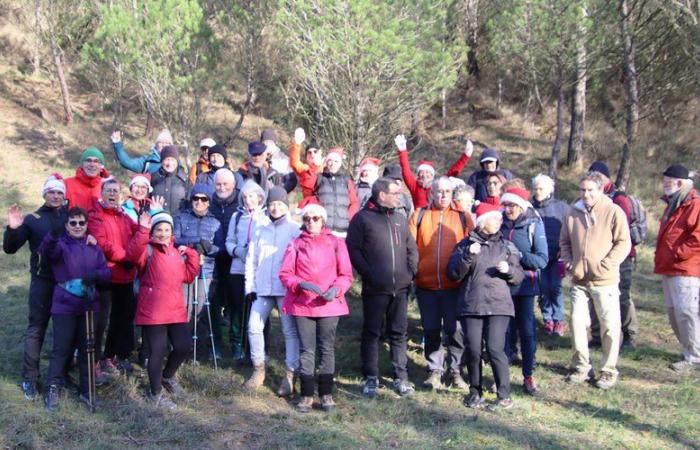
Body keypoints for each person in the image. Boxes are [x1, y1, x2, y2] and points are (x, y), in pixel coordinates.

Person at [447, 202, 525, 410]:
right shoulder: (465, 245)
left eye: (500, 219)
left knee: (494, 348)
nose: (500, 221)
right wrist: (467, 256)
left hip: (499, 306)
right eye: (495, 218)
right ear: (482, 222)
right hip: (472, 305)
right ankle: (475, 392)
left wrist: (509, 270)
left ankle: (504, 395)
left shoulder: (507, 247)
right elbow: (454, 274)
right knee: (473, 350)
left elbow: (519, 276)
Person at [346, 177, 419, 398]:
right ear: (382, 195)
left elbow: (411, 248)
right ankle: (371, 378)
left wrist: (410, 272)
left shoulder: (399, 218)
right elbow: (353, 250)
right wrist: (369, 274)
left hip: (401, 288)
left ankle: (401, 378)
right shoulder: (362, 219)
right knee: (372, 333)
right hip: (375, 288)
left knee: (398, 333)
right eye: (395, 193)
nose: (399, 196)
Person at [559, 172, 631, 390]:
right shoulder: (573, 213)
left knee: (610, 326)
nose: (586, 194)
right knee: (577, 323)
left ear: (600, 190)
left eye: (591, 190)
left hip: (605, 280)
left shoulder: (613, 211)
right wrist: (570, 262)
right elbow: (564, 242)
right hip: (580, 280)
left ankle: (608, 370)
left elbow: (623, 243)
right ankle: (581, 365)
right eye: (582, 190)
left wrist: (606, 265)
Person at [279, 203, 353, 412]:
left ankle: (326, 394)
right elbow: (285, 274)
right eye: (307, 219)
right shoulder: (295, 244)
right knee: (306, 350)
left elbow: (346, 275)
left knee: (327, 349)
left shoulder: (336, 243)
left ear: (323, 220)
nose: (311, 222)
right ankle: (306, 395)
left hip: (329, 305)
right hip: (303, 305)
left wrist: (337, 290)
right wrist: (299, 284)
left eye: (315, 218)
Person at [125, 211, 200, 410]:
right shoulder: (146, 251)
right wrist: (142, 230)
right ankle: (155, 393)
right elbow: (131, 255)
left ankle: (167, 377)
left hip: (175, 310)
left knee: (183, 346)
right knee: (157, 352)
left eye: (167, 230)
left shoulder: (176, 253)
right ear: (153, 231)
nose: (163, 233)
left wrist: (192, 254)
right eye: (159, 229)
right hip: (153, 311)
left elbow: (188, 277)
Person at [3, 174, 68, 400]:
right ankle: (29, 378)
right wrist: (12, 229)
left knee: (63, 332)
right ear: (44, 193)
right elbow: (10, 249)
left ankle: (60, 377)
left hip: (66, 284)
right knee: (36, 329)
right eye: (52, 192)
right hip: (42, 281)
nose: (56, 196)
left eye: (60, 192)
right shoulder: (33, 218)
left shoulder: (72, 217)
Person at [40, 207, 111, 411]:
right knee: (61, 348)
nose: (78, 226)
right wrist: (52, 235)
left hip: (89, 305)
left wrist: (96, 276)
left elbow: (106, 273)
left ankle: (87, 389)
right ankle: (53, 387)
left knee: (88, 349)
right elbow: (48, 253)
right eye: (73, 223)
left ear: (87, 225)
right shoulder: (61, 246)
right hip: (65, 305)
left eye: (81, 223)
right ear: (67, 226)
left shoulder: (94, 247)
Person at [409, 176, 473, 390]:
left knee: (456, 330)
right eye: (439, 191)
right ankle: (434, 371)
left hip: (455, 286)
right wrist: (413, 274)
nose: (443, 195)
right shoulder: (419, 215)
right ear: (431, 193)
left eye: (447, 191)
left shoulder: (463, 217)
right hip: (426, 286)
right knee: (431, 329)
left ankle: (456, 372)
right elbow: (410, 248)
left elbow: (473, 249)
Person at [243, 186, 301, 394]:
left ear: (286, 205)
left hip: (285, 291)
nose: (275, 208)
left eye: (279, 204)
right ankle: (258, 369)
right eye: (271, 204)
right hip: (262, 289)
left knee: (289, 331)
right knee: (253, 327)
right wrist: (250, 287)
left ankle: (290, 374)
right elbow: (251, 260)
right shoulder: (261, 229)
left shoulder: (295, 230)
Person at [88, 178, 140, 376]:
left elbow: (139, 234)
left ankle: (111, 356)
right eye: (108, 190)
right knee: (101, 321)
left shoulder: (124, 216)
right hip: (107, 275)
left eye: (115, 191)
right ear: (102, 193)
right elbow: (102, 242)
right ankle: (94, 362)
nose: (112, 194)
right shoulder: (95, 215)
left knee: (122, 318)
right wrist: (124, 256)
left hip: (126, 275)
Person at [499, 186, 548, 395]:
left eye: (512, 205)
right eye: (505, 205)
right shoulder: (498, 222)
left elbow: (542, 260)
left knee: (526, 332)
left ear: (520, 205)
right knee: (500, 333)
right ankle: (500, 377)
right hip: (501, 286)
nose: (508, 209)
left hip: (525, 287)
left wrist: (517, 256)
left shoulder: (533, 225)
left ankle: (528, 375)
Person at [587, 161, 639, 348]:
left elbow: (620, 229)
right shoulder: (590, 196)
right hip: (597, 255)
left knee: (622, 295)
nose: (594, 176)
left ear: (606, 177)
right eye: (591, 173)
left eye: (598, 174)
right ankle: (597, 335)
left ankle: (629, 335)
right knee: (594, 294)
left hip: (621, 255)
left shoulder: (619, 198)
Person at [654, 164, 700, 372]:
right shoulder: (674, 204)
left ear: (680, 183)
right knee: (674, 313)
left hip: (685, 269)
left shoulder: (694, 205)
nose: (664, 185)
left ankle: (694, 357)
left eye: (667, 181)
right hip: (669, 267)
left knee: (686, 312)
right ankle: (688, 350)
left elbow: (697, 238)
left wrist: (677, 254)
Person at [173, 183, 221, 359]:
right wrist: (197, 241)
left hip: (206, 271)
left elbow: (220, 249)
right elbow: (175, 240)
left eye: (204, 199)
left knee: (200, 310)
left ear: (209, 202)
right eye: (196, 198)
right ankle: (180, 349)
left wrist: (208, 247)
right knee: (184, 309)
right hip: (184, 269)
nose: (199, 202)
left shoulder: (215, 222)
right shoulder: (181, 217)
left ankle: (198, 351)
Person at [225, 180, 270, 359]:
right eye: (244, 197)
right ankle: (237, 344)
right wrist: (238, 251)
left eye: (251, 196)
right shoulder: (236, 217)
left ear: (259, 197)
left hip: (259, 272)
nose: (247, 200)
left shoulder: (266, 217)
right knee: (237, 308)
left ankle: (260, 348)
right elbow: (229, 241)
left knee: (258, 310)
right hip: (237, 269)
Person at [531, 174, 571, 336]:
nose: (538, 191)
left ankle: (558, 319)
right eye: (535, 188)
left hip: (557, 254)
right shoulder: (530, 208)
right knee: (543, 288)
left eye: (541, 188)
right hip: (538, 256)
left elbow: (569, 229)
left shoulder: (561, 208)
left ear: (549, 190)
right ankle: (547, 318)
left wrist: (565, 248)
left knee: (555, 287)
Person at [395, 134, 473, 209]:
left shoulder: (438, 185)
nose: (424, 174)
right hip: (419, 220)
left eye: (427, 172)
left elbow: (453, 172)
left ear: (432, 175)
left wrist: (466, 156)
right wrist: (402, 151)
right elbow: (405, 170)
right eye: (421, 172)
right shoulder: (415, 186)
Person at [208, 168, 239, 359]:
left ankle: (236, 342)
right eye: (218, 184)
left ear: (233, 185)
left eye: (225, 184)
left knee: (236, 303)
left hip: (235, 260)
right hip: (214, 260)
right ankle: (215, 343)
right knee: (213, 302)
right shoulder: (207, 203)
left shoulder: (240, 204)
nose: (221, 187)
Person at [151, 145, 190, 216]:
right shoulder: (153, 177)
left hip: (178, 223)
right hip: (157, 222)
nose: (169, 164)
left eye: (172, 160)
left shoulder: (185, 179)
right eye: (166, 159)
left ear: (177, 161)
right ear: (161, 161)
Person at [289, 128, 324, 200]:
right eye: (309, 152)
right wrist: (297, 144)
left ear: (320, 153)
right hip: (309, 206)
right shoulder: (304, 170)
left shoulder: (327, 169)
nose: (312, 154)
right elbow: (294, 162)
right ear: (306, 157)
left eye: (315, 151)